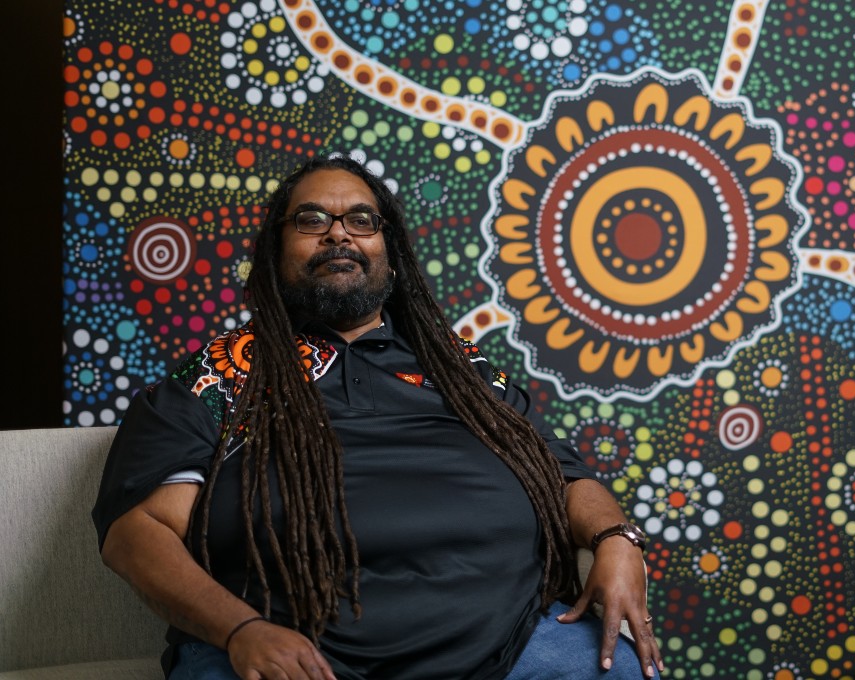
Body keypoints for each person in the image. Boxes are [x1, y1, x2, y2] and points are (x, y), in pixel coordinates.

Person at [92, 152, 663, 680]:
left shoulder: (460, 369)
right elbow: (137, 532)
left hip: (512, 646)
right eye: (311, 219)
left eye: (361, 220)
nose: (338, 232)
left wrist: (617, 537)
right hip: (294, 653)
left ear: (389, 253)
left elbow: (563, 476)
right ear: (276, 248)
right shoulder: (221, 372)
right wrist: (241, 630)